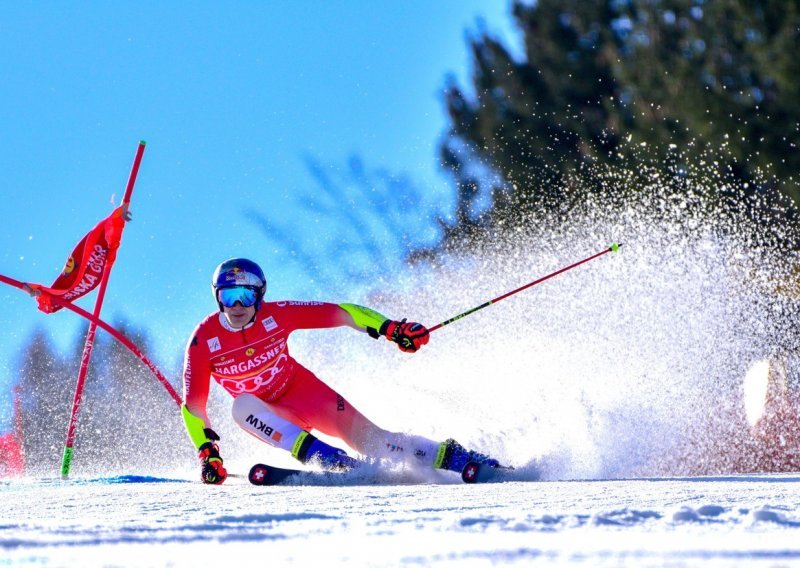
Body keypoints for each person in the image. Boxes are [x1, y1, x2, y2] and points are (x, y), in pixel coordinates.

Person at [182, 258, 499, 484]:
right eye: (228, 296)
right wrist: (207, 453)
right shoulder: (203, 340)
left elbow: (344, 313)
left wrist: (391, 329)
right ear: (217, 298)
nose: (237, 306)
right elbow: (193, 407)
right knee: (242, 406)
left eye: (246, 295)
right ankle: (326, 458)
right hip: (269, 416)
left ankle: (452, 456)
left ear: (260, 295)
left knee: (376, 442)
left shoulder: (278, 315)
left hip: (304, 394)